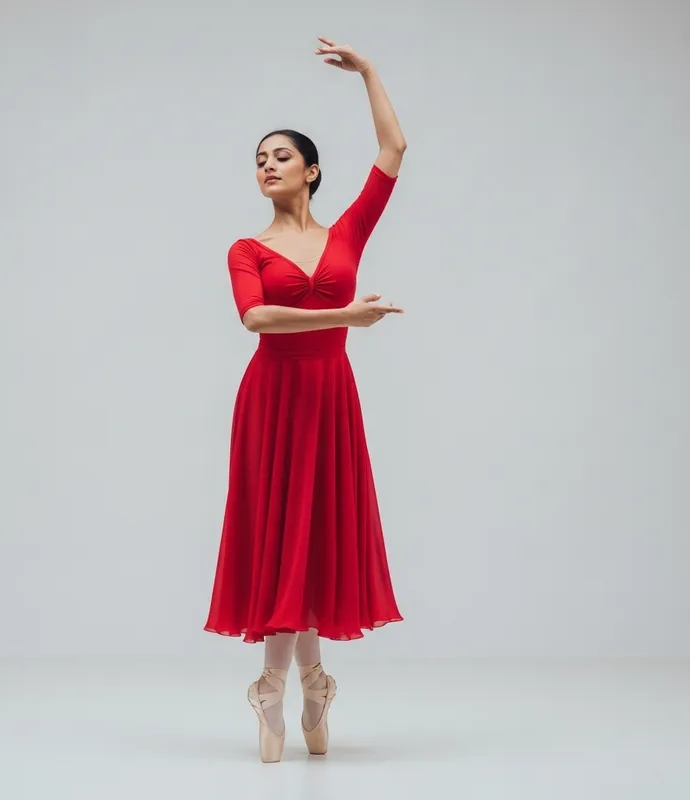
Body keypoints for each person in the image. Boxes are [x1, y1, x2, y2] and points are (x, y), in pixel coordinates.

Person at [204, 36, 407, 763]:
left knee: (317, 534)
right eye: (258, 159)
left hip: (330, 399)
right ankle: (285, 687)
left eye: (280, 155)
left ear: (312, 170)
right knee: (282, 535)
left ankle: (299, 686)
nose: (266, 165)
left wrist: (370, 73)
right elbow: (255, 319)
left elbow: (394, 151)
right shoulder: (247, 250)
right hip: (273, 400)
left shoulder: (347, 231)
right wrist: (345, 319)